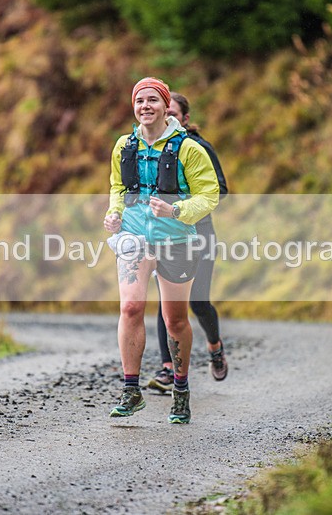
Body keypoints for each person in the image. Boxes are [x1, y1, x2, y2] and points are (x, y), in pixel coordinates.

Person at [104, 77, 219, 424]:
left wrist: (176, 211)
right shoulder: (124, 146)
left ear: (166, 106)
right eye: (140, 101)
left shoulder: (189, 149)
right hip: (134, 239)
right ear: (134, 107)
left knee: (175, 320)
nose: (145, 107)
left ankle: (181, 390)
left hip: (176, 240)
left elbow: (209, 195)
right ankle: (131, 389)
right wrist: (115, 214)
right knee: (131, 307)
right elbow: (118, 186)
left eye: (153, 100)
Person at [148, 92, 229, 393]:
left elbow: (219, 190)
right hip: (166, 236)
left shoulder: (199, 148)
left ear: (184, 119)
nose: (165, 117)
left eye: (172, 113)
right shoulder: (153, 149)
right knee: (167, 302)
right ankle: (168, 369)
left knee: (197, 301)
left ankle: (215, 346)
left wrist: (181, 205)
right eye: (163, 112)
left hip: (200, 234)